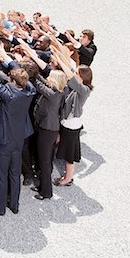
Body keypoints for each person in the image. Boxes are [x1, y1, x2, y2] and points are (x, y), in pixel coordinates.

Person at [0, 44, 36, 215]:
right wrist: (8, 59)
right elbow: (18, 75)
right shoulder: (29, 91)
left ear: (13, 82)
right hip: (19, 138)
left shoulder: (9, 95)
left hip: (4, 140)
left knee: (2, 173)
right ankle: (14, 205)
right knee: (14, 172)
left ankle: (0, 206)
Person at [51, 46, 93, 186]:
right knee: (60, 142)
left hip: (71, 124)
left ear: (81, 77)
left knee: (70, 154)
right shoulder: (80, 87)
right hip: (67, 122)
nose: (74, 74)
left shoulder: (84, 90)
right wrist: (60, 55)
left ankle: (68, 178)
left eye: (77, 73)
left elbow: (69, 73)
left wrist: (58, 59)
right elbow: (69, 68)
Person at [30, 70, 67, 200]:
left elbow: (38, 84)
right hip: (49, 129)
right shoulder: (57, 93)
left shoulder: (52, 94)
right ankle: (42, 186)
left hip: (47, 130)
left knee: (44, 162)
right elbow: (42, 81)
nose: (48, 79)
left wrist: (32, 73)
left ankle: (46, 192)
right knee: (45, 160)